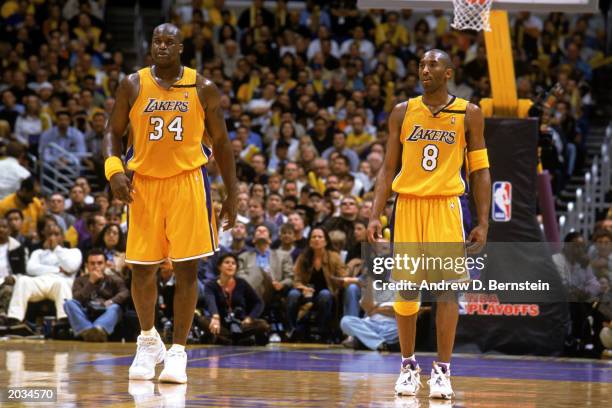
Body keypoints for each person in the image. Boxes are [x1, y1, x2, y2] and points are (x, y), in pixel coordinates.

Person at [103, 23, 237, 384]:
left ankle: (178, 352)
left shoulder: (202, 87)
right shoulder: (132, 84)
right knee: (142, 268)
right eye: (156, 41)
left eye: (169, 42)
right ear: (151, 47)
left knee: (186, 270)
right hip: (143, 185)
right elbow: (112, 132)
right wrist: (113, 169)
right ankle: (148, 341)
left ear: (180, 47)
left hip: (188, 182)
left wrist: (233, 194)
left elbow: (222, 144)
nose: (162, 46)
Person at [368, 49, 491, 399]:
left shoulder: (469, 113)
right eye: (422, 64)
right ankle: (408, 366)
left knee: (447, 291)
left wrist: (483, 221)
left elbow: (480, 171)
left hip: (446, 206)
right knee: (406, 292)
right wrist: (375, 212)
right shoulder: (402, 112)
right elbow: (388, 167)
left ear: (449, 73)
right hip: (406, 206)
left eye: (433, 64)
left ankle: (443, 371)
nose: (425, 69)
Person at [202, 253, 269, 345]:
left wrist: (250, 318)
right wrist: (215, 316)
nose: (230, 265)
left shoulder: (242, 283)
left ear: (236, 268)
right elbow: (210, 301)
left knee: (262, 324)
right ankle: (235, 340)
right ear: (219, 267)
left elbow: (259, 302)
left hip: (241, 325)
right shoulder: (211, 285)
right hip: (221, 324)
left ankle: (227, 340)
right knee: (202, 320)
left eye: (233, 263)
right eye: (227, 262)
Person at [63, 248, 129, 342]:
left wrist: (111, 301)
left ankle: (97, 329)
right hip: (86, 312)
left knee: (115, 308)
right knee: (68, 303)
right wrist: (91, 282)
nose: (96, 266)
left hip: (106, 311)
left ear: (106, 264)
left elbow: (125, 292)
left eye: (99, 263)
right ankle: (88, 330)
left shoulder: (114, 278)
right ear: (87, 265)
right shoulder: (80, 280)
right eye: (92, 263)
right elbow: (77, 299)